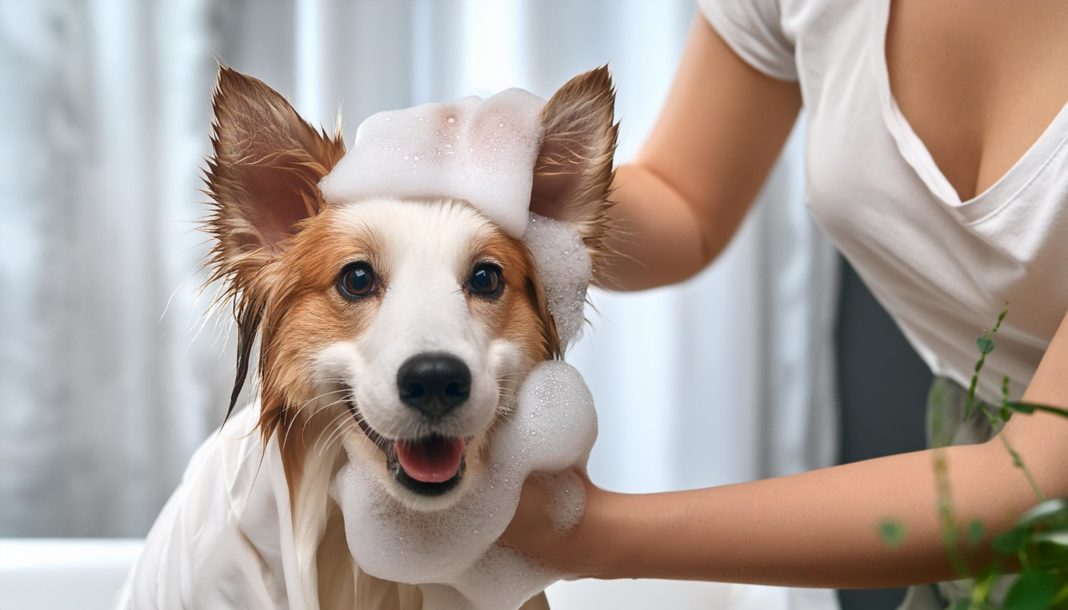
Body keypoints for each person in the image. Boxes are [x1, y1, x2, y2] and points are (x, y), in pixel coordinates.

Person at [501, 1, 1068, 607]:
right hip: (964, 468)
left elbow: (1024, 483)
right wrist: (508, 193)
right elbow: (685, 199)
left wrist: (588, 534)